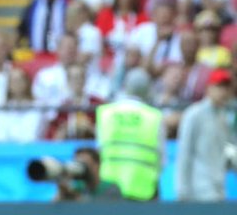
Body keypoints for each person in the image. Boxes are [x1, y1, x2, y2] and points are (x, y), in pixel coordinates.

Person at [96, 68, 164, 202]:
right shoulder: (154, 116)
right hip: (143, 191)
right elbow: (162, 159)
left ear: (125, 86)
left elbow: (99, 149)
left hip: (109, 189)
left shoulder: (105, 113)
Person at [175, 69, 236, 202]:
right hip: (197, 190)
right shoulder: (194, 115)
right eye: (219, 86)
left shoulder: (224, 118)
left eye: (226, 88)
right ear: (209, 88)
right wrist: (182, 190)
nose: (223, 92)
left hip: (219, 189)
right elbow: (185, 152)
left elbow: (229, 151)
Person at [53, 147, 123, 202]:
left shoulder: (111, 189)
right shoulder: (76, 187)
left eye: (85, 165)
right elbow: (54, 209)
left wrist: (78, 198)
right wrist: (62, 192)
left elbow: (102, 209)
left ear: (97, 165)